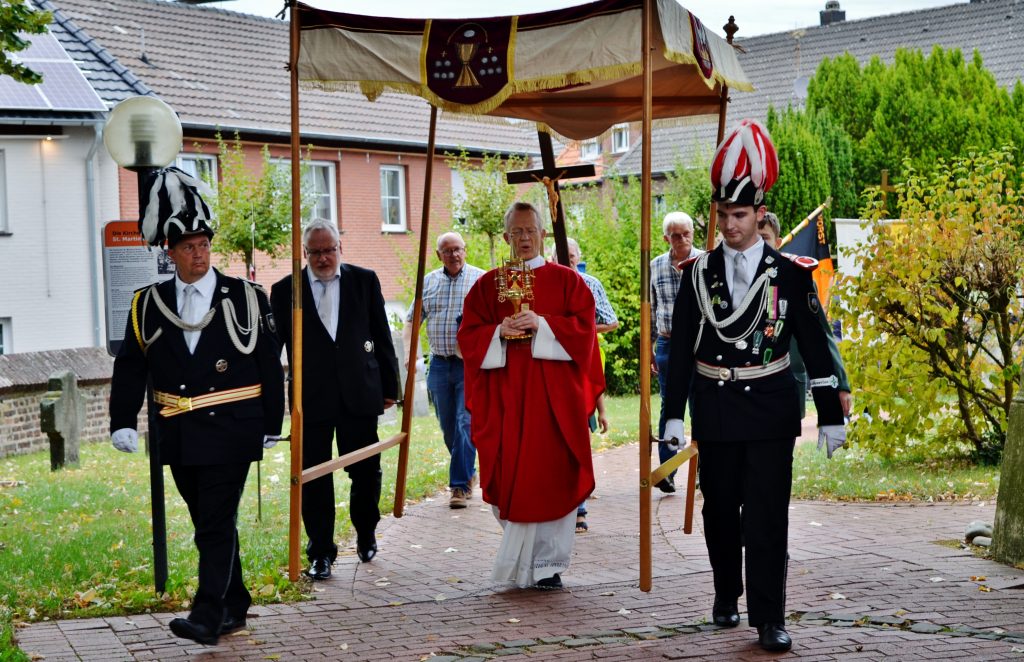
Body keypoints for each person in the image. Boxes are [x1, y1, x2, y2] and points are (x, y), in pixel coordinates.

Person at [663, 119, 846, 653]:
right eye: (723, 214)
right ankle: (727, 591)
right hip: (717, 407)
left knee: (766, 517)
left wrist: (830, 414)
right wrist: (672, 415)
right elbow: (682, 350)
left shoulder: (789, 273)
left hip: (769, 410)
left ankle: (769, 618)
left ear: (760, 214)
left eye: (740, 215)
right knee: (719, 511)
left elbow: (816, 347)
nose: (730, 225)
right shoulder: (697, 274)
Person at [109, 168, 284, 646]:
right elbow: (131, 366)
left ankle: (207, 614)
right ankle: (235, 603)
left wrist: (273, 420)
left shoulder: (245, 297)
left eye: (204, 244)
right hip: (178, 431)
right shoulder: (148, 303)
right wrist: (123, 421)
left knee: (213, 522)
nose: (199, 254)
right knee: (209, 519)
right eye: (189, 247)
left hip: (232, 426)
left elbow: (269, 363)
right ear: (170, 252)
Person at [458, 201, 604, 590]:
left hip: (553, 400)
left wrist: (543, 324)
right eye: (517, 232)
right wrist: (497, 332)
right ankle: (520, 557)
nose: (524, 238)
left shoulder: (567, 281)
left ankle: (548, 565)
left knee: (553, 474)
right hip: (505, 398)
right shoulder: (489, 284)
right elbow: (468, 336)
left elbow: (585, 333)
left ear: (542, 234)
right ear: (506, 236)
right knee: (507, 471)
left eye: (530, 230)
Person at [270, 218, 399, 580]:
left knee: (366, 471)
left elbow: (382, 334)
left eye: (329, 250)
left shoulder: (364, 281)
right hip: (310, 399)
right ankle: (320, 552)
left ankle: (366, 531)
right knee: (312, 477)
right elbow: (272, 349)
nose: (323, 258)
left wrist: (391, 388)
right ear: (304, 253)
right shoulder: (286, 290)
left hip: (360, 392)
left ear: (340, 248)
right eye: (315, 252)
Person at [402, 231, 484, 509]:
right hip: (438, 363)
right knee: (448, 427)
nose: (453, 255)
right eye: (447, 251)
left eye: (458, 249)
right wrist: (409, 352)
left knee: (465, 422)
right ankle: (468, 471)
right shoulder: (428, 282)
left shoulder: (481, 280)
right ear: (439, 255)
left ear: (465, 250)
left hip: (468, 365)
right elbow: (412, 321)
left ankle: (459, 486)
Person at [757, 211, 853, 427]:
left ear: (777, 242)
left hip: (787, 384)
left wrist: (841, 384)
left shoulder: (795, 278)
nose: (758, 245)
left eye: (764, 238)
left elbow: (822, 334)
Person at [565, 237, 617, 532]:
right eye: (562, 255)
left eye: (571, 255)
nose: (567, 258)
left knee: (579, 436)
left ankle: (579, 508)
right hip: (551, 364)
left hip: (585, 358)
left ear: (579, 256)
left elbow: (612, 321)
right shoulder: (542, 281)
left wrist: (578, 330)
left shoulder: (590, 283)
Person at [650, 211, 703, 493]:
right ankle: (667, 470)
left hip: (699, 344)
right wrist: (648, 348)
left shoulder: (706, 262)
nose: (681, 239)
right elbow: (651, 308)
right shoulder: (655, 266)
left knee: (701, 404)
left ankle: (703, 470)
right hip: (667, 343)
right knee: (669, 404)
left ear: (692, 233)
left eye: (686, 234)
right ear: (666, 238)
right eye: (675, 235)